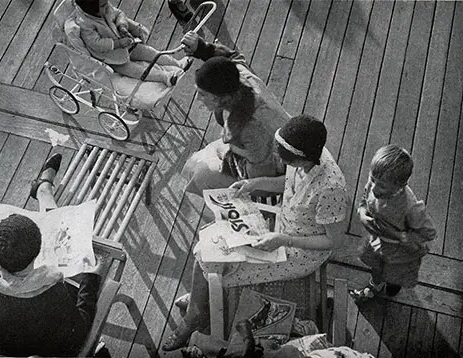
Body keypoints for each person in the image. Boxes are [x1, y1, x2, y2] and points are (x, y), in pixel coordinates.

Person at [162, 115, 349, 351]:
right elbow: (288, 182)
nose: (277, 158)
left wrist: (283, 239)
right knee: (206, 245)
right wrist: (254, 183)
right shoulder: (308, 157)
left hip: (298, 251)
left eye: (283, 156)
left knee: (219, 265)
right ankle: (198, 306)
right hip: (280, 227)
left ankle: (195, 313)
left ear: (301, 158)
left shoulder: (331, 188)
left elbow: (334, 240)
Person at [0, 154, 103, 357]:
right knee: (63, 241)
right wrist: (90, 280)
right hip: (46, 349)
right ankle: (44, 191)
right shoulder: (52, 292)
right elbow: (79, 331)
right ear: (39, 251)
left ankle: (43, 190)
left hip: (1, 344)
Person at [180, 31, 291, 195]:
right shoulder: (240, 78)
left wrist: (235, 150)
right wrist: (202, 49)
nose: (197, 99)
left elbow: (260, 176)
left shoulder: (250, 127)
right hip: (251, 149)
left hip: (277, 171)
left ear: (221, 98)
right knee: (192, 164)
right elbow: (234, 59)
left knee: (200, 176)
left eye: (203, 94)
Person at [350, 145, 437, 301]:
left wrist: (399, 236)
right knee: (375, 266)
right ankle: (375, 285)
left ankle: (391, 288)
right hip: (376, 241)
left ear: (400, 185)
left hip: (399, 251)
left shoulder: (410, 207)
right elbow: (364, 199)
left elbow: (428, 233)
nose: (374, 188)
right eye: (372, 179)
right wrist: (362, 213)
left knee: (394, 277)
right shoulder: (374, 185)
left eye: (382, 185)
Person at [75, 0, 192, 86]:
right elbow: (96, 44)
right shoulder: (85, 24)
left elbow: (119, 14)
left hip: (128, 44)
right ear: (91, 9)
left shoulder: (105, 8)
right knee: (136, 71)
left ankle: (178, 63)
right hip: (113, 58)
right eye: (103, 5)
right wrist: (118, 43)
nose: (107, 6)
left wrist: (122, 26)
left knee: (151, 53)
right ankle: (165, 77)